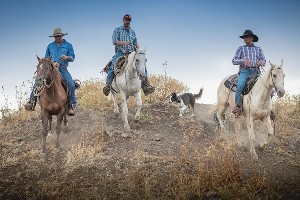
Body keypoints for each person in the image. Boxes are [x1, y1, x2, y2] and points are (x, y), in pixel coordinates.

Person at [24, 27, 76, 116]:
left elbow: (72, 57)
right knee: (38, 80)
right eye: (55, 36)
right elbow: (46, 59)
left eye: (59, 36)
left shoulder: (68, 45)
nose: (57, 38)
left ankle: (71, 105)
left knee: (71, 83)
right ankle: (32, 101)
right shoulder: (50, 46)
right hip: (50, 68)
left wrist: (67, 57)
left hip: (62, 68)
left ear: (62, 36)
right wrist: (50, 63)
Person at [103, 14, 155, 96]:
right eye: (126, 20)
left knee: (141, 64)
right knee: (113, 64)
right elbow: (114, 41)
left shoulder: (132, 31)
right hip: (121, 51)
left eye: (129, 20)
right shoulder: (118, 29)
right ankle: (107, 86)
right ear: (123, 20)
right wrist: (124, 43)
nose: (127, 22)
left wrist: (136, 45)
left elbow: (135, 42)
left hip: (132, 52)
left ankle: (146, 86)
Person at [232, 30, 266, 117]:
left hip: (256, 71)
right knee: (240, 85)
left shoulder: (258, 49)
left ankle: (267, 107)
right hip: (245, 71)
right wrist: (243, 60)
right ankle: (237, 106)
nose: (244, 38)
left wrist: (261, 62)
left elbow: (264, 60)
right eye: (244, 37)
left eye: (246, 37)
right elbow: (234, 60)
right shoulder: (241, 48)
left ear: (251, 38)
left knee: (268, 87)